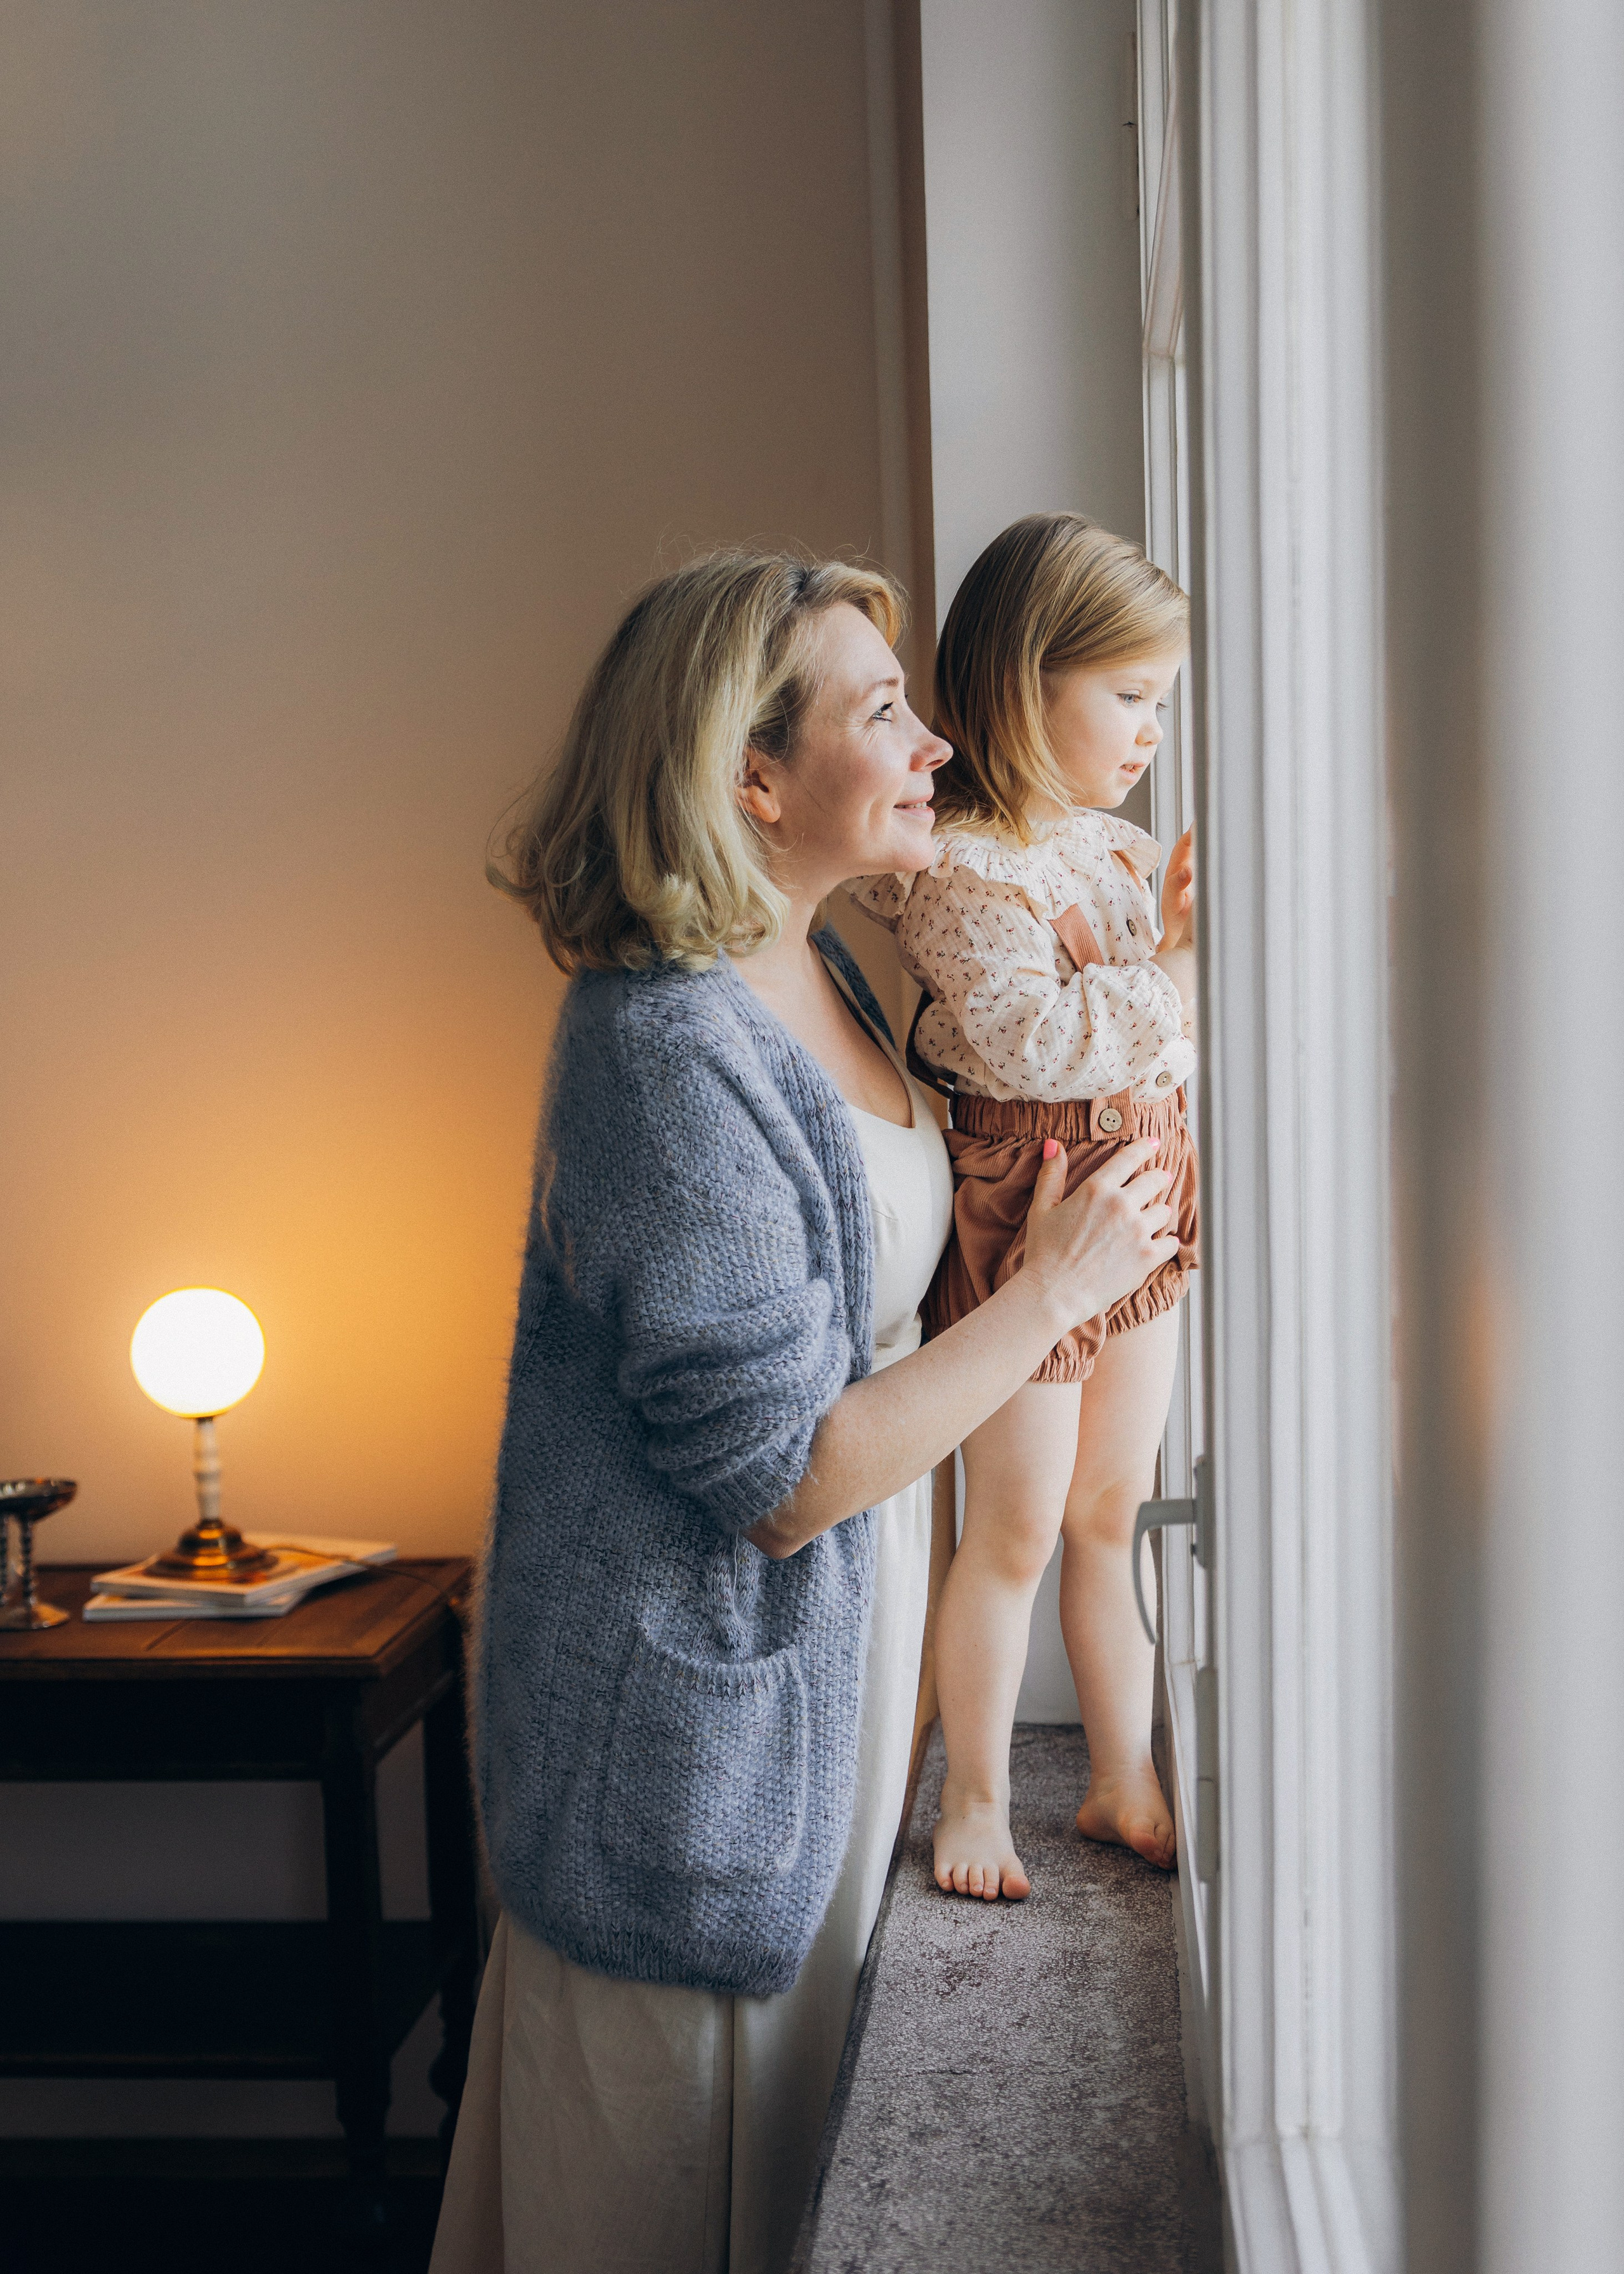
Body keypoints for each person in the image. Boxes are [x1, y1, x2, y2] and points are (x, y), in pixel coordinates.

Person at [428, 549, 1177, 2274]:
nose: (936, 744)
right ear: (751, 776)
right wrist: (1052, 1293)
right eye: (885, 711)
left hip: (824, 1722)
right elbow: (780, 1476)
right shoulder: (658, 1050)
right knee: (657, 2206)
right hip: (689, 1774)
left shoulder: (825, 970)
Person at [848, 513, 1199, 1902]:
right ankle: (976, 1797)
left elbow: (1157, 1049)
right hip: (1031, 1208)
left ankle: (1123, 1775)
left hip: (1140, 1186)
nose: (1152, 730)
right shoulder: (963, 871)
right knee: (1013, 1524)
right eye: (1129, 694)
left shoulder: (1111, 853)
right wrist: (1175, 971)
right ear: (1022, 681)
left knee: (1113, 1507)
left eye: (1159, 700)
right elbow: (1038, 1045)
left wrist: (1178, 954)